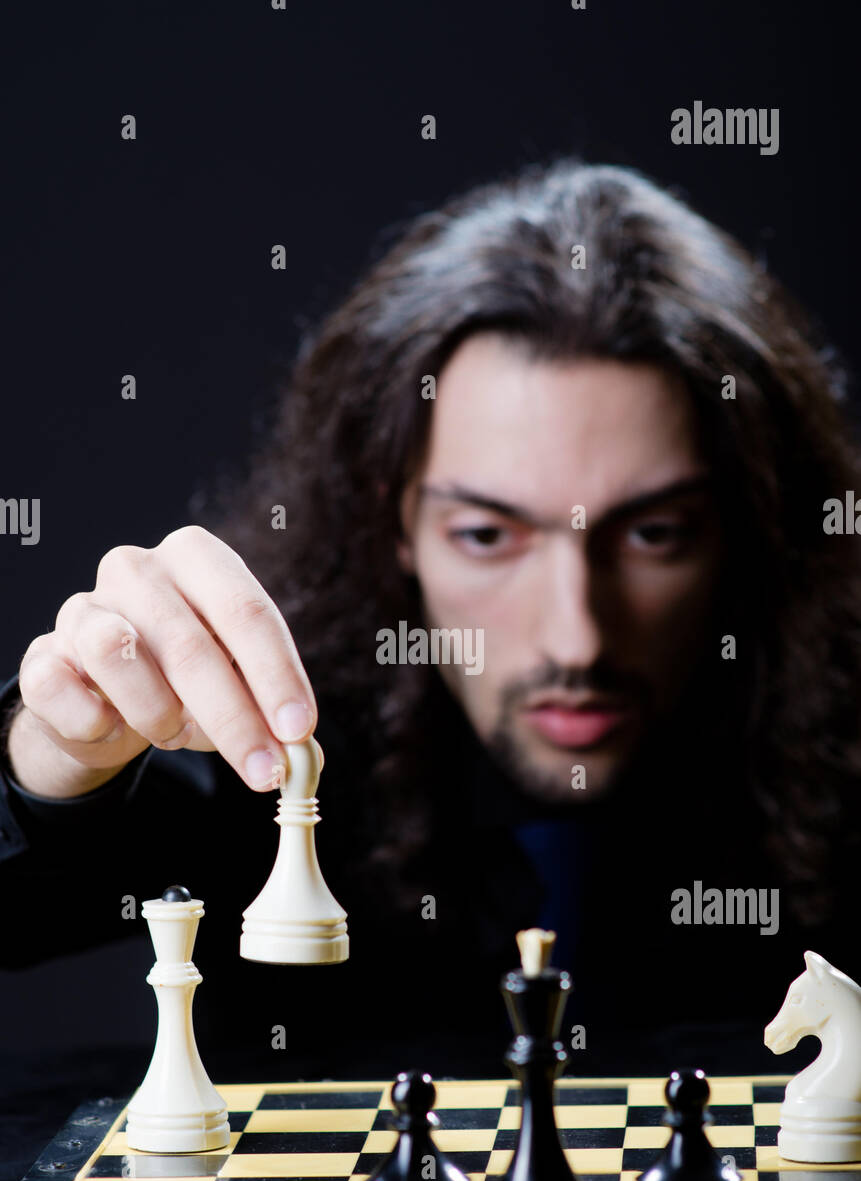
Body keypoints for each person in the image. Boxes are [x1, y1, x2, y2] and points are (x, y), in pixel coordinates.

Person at [2, 157, 860, 1080]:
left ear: (747, 517)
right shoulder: (261, 726)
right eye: (488, 533)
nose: (576, 639)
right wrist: (54, 759)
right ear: (393, 514)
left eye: (654, 533)